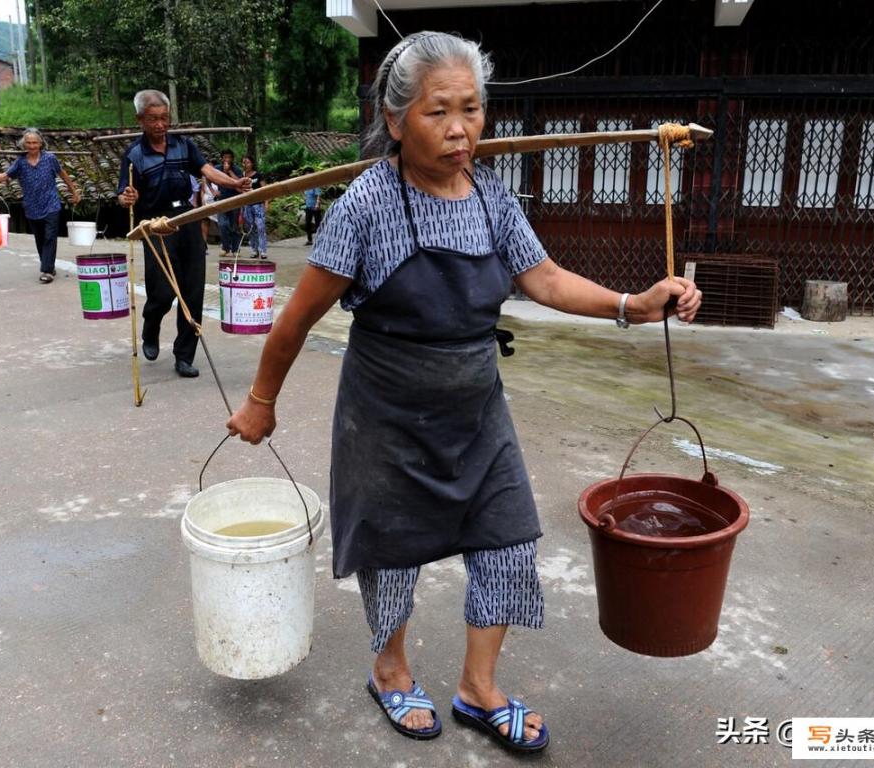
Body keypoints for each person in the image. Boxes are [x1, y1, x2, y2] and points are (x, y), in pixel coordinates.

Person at [226, 32, 701, 753]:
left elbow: (541, 278)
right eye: (438, 111)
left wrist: (633, 304)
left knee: (508, 540)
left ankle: (479, 690)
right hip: (385, 415)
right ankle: (390, 671)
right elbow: (296, 319)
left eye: (472, 110)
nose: (459, 130)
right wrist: (261, 400)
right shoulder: (366, 205)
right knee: (392, 554)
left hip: (477, 408)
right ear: (394, 121)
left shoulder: (490, 196)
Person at [117, 90, 250, 378]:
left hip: (188, 218)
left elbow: (206, 171)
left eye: (164, 118)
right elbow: (123, 193)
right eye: (153, 119)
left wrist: (234, 183)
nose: (160, 125)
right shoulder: (134, 155)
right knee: (163, 292)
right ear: (140, 119)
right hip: (154, 224)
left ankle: (184, 355)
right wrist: (126, 197)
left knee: (192, 291)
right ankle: (151, 327)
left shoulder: (183, 145)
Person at [0, 128, 81, 284]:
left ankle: (46, 271)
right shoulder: (20, 163)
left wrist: (74, 192)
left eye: (35, 143)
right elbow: (5, 177)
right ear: (24, 144)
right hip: (32, 207)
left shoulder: (50, 158)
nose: (32, 146)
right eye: (28, 143)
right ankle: (49, 265)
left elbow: (63, 174)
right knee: (40, 239)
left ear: (40, 144)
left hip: (51, 204)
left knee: (49, 237)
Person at [215, 149, 243, 256]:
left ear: (232, 159)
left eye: (229, 157)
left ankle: (235, 249)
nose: (227, 159)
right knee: (222, 224)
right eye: (225, 157)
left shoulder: (236, 170)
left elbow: (239, 183)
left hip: (234, 200)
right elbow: (206, 178)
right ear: (221, 158)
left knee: (234, 226)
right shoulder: (217, 168)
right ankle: (225, 248)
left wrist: (229, 172)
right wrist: (213, 190)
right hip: (221, 200)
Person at [240, 154, 268, 258]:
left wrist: (266, 203)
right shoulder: (241, 176)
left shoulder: (258, 175)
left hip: (258, 204)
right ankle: (254, 249)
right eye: (243, 162)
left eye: (247, 162)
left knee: (261, 227)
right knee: (251, 228)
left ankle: (263, 250)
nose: (245, 164)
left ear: (252, 163)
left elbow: (266, 190)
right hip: (247, 206)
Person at [302, 173, 322, 245]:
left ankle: (320, 239)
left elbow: (318, 196)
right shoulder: (306, 186)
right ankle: (309, 240)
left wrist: (317, 204)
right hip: (308, 207)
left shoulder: (315, 185)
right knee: (307, 223)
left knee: (318, 224)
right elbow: (304, 195)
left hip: (315, 207)